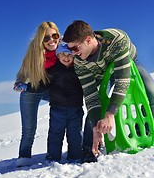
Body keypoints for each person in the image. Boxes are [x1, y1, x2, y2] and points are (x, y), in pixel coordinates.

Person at [63, 20, 154, 161]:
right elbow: (91, 95)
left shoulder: (116, 39)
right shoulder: (80, 62)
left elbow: (122, 80)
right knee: (96, 108)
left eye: (74, 48)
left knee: (150, 90)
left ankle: (150, 130)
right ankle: (90, 150)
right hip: (100, 72)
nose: (73, 54)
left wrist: (110, 114)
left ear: (88, 40)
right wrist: (96, 128)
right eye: (70, 50)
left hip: (127, 62)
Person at [13, 21, 60, 167]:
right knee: (28, 129)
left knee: (69, 111)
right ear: (41, 40)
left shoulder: (64, 50)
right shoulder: (34, 54)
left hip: (50, 90)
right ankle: (24, 158)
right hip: (31, 90)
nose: (51, 40)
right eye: (46, 38)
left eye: (55, 36)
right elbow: (22, 73)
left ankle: (79, 146)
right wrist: (19, 82)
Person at [45, 42, 84, 164]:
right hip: (57, 108)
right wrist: (28, 87)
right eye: (63, 55)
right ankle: (53, 157)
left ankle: (75, 156)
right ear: (58, 56)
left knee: (75, 134)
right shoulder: (52, 70)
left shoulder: (78, 69)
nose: (66, 58)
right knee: (55, 133)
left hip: (75, 108)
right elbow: (41, 84)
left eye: (69, 55)